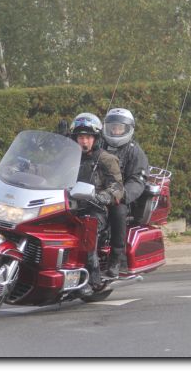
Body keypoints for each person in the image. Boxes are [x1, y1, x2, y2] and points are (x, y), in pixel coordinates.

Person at [69, 112, 124, 295]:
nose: (83, 142)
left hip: (95, 208)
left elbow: (118, 186)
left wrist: (105, 196)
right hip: (70, 205)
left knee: (87, 229)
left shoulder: (106, 159)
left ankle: (92, 277)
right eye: (80, 137)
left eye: (87, 137)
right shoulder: (70, 158)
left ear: (95, 138)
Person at [101, 108, 149, 278]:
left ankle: (117, 258)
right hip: (97, 192)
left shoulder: (134, 151)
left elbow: (137, 179)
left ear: (128, 129)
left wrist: (122, 195)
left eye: (119, 128)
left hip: (119, 196)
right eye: (112, 127)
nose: (115, 131)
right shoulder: (99, 145)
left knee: (118, 211)